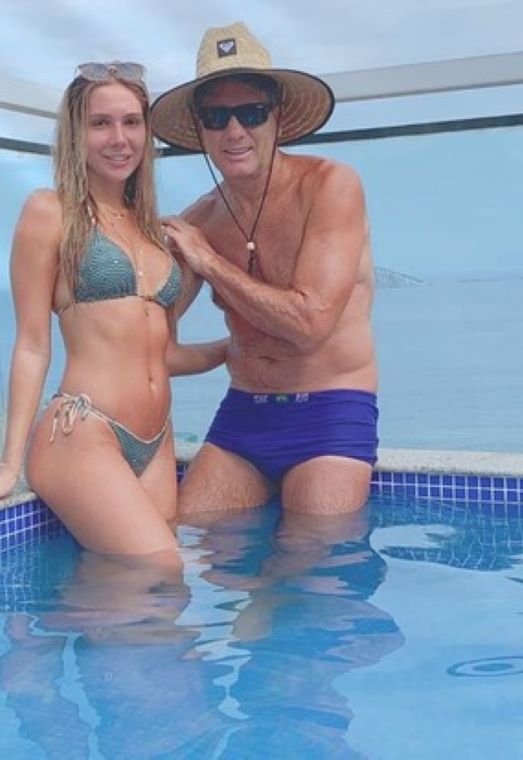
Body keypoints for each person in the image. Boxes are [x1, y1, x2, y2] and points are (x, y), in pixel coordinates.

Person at [0, 61, 226, 558]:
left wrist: (233, 349)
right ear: (75, 133)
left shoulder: (152, 230)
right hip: (84, 430)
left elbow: (164, 355)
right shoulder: (50, 212)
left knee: (159, 596)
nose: (119, 138)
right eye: (100, 123)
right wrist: (8, 466)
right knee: (159, 570)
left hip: (156, 438)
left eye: (131, 122)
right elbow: (32, 345)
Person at [154, 22, 379, 517]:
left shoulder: (330, 186)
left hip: (330, 409)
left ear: (276, 117)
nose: (234, 131)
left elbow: (310, 324)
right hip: (243, 413)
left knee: (310, 553)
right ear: (200, 129)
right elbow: (151, 343)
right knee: (186, 541)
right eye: (216, 117)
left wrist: (210, 262)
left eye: (251, 113)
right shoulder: (200, 221)